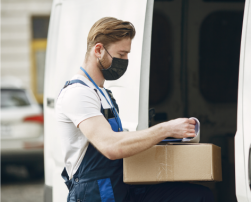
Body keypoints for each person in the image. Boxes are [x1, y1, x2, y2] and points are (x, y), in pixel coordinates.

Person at [56, 17, 214, 202]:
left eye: (127, 55)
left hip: (119, 187)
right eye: (121, 54)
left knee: (198, 196)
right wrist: (167, 129)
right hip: (96, 193)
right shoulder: (78, 94)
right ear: (98, 50)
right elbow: (111, 146)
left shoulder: (102, 93)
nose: (125, 60)